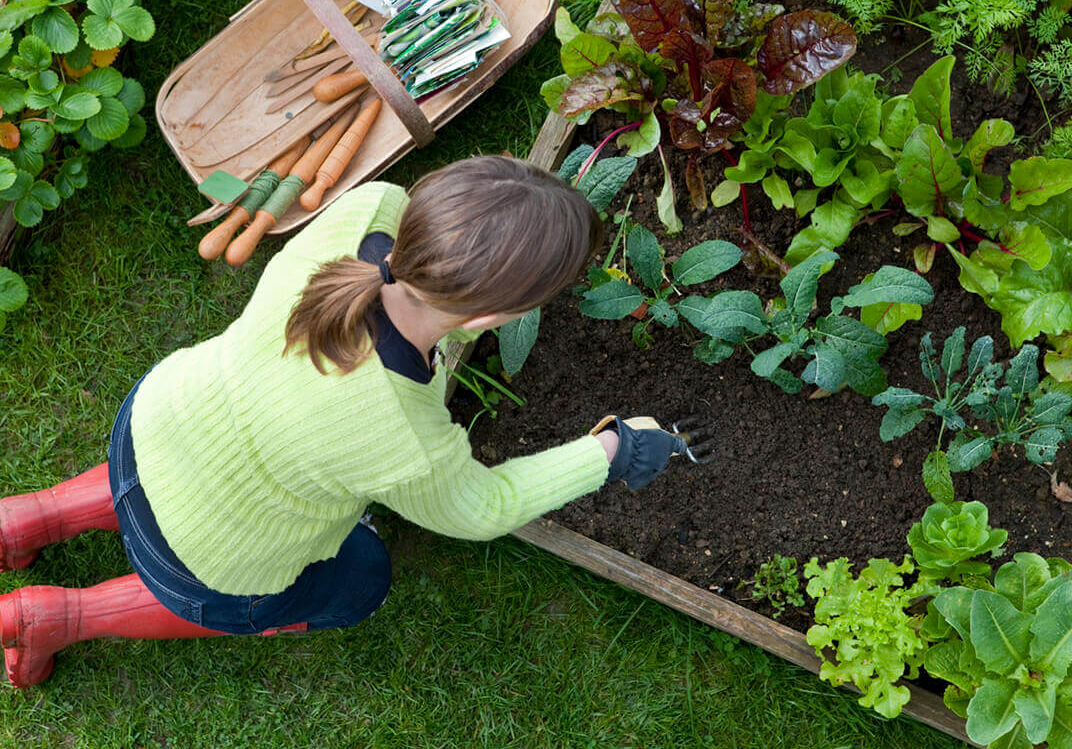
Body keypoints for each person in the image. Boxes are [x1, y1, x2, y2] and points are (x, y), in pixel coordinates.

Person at [0, 155, 686, 688]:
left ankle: (31, 518)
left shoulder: (369, 208)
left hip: (155, 422)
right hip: (204, 561)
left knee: (184, 473)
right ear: (484, 322)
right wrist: (611, 450)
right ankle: (58, 619)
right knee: (361, 580)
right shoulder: (402, 435)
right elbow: (484, 507)